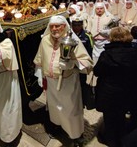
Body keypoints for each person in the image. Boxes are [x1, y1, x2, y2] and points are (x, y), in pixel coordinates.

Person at [33, 15, 93, 147]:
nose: (54, 29)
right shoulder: (45, 40)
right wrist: (39, 75)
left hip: (68, 82)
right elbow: (39, 59)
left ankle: (76, 135)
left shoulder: (72, 40)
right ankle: (58, 127)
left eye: (57, 26)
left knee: (70, 109)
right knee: (54, 108)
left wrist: (72, 63)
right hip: (51, 81)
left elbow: (87, 62)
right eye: (52, 26)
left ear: (65, 26)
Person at [93, 27, 137, 147]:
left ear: (111, 38)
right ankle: (122, 140)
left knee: (109, 120)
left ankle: (111, 141)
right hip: (128, 91)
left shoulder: (106, 54)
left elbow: (97, 72)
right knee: (122, 116)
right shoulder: (135, 53)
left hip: (109, 93)